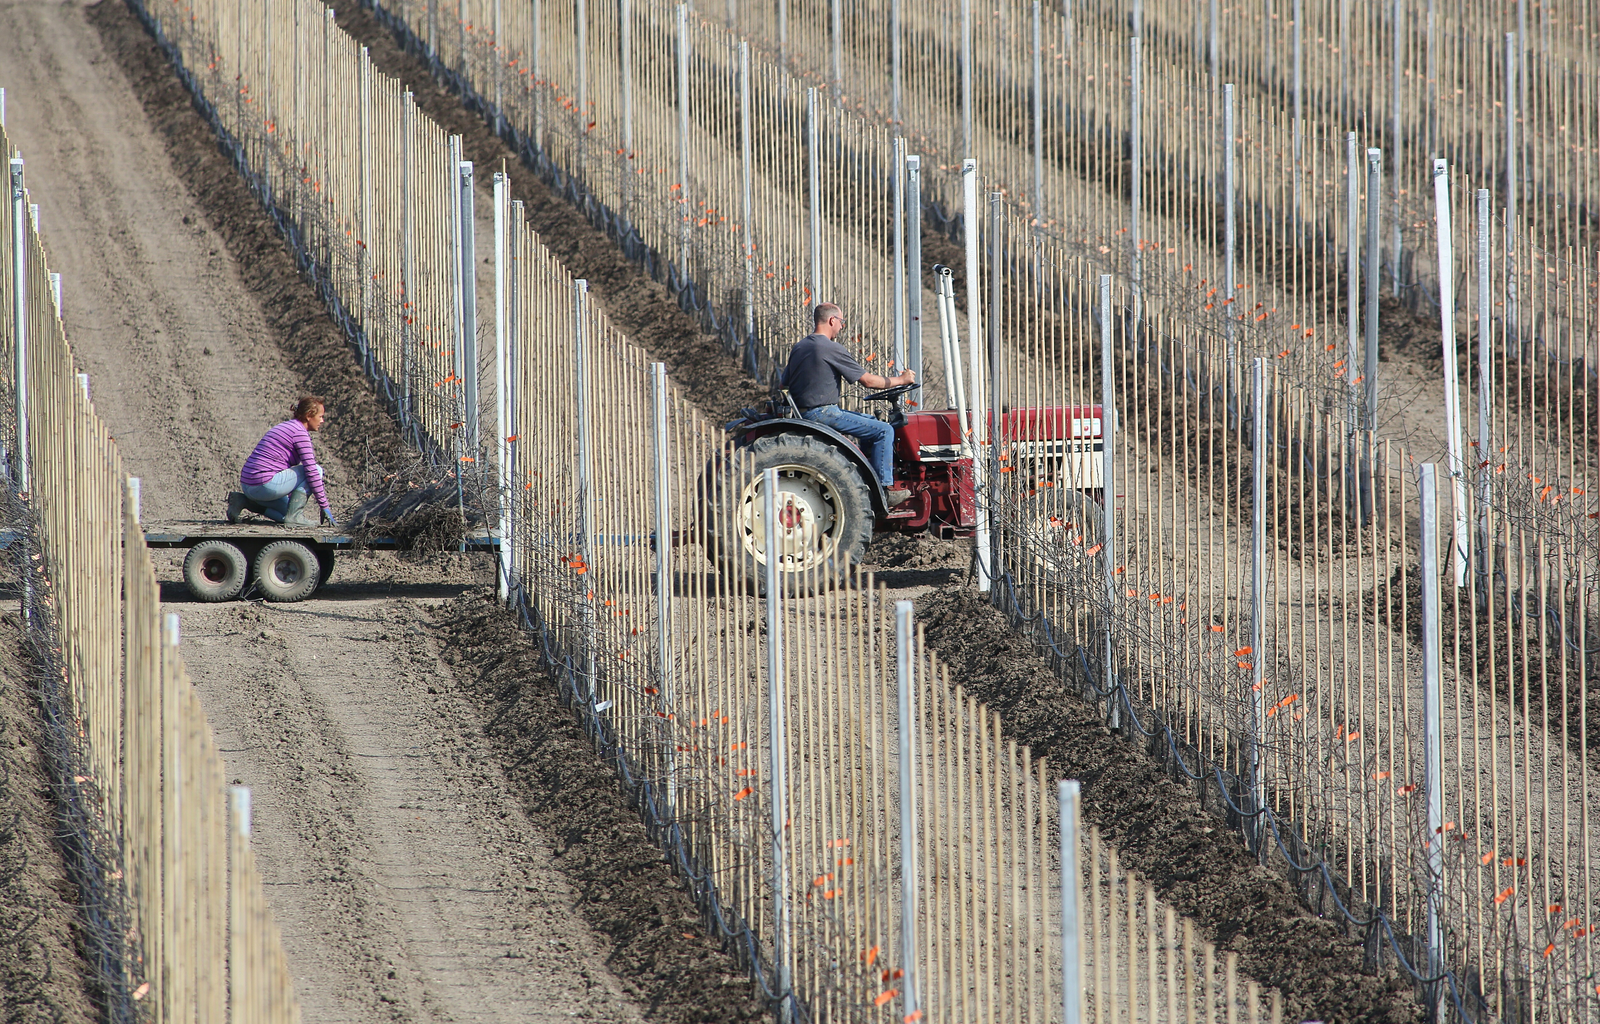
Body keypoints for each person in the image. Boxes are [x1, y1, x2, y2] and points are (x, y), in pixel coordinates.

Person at [779, 303, 916, 506]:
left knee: (871, 421)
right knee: (884, 430)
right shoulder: (829, 347)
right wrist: (902, 380)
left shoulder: (801, 346)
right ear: (832, 320)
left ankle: (866, 479)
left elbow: (783, 383)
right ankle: (884, 490)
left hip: (805, 412)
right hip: (822, 413)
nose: (842, 327)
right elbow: (868, 381)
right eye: (841, 322)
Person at [227, 397, 337, 527]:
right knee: (316, 470)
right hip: (264, 484)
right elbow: (311, 471)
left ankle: (244, 501)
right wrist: (324, 507)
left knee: (286, 515)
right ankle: (295, 516)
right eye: (320, 416)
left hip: (249, 485)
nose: (322, 421)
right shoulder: (299, 433)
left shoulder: (288, 426)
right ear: (309, 416)